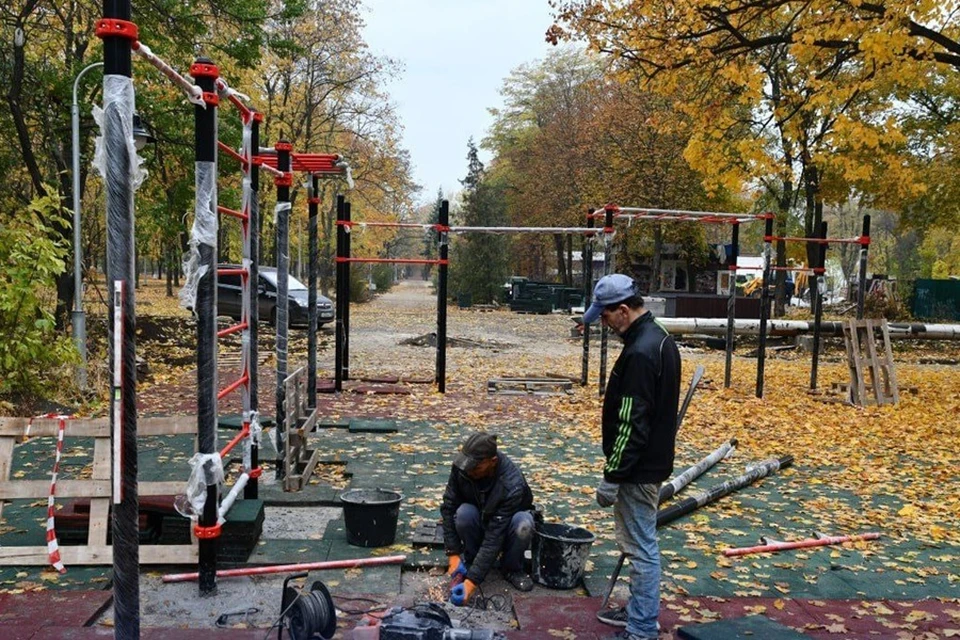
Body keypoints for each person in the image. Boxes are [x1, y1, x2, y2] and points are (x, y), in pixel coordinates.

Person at [583, 274, 681, 640]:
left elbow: (631, 424)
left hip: (638, 470)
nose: (604, 325)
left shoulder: (641, 353)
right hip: (649, 462)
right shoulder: (659, 339)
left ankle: (641, 629)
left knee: (641, 550)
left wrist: (613, 476)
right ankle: (643, 617)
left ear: (623, 310)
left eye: (605, 317)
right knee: (642, 545)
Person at [440, 431, 535, 605]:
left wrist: (471, 583)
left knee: (524, 524)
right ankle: (471, 560)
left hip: (506, 528)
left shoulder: (512, 484)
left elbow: (495, 536)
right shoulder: (462, 467)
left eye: (476, 467)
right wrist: (452, 553)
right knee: (463, 514)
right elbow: (448, 508)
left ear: (493, 462)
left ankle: (512, 568)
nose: (469, 471)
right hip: (479, 519)